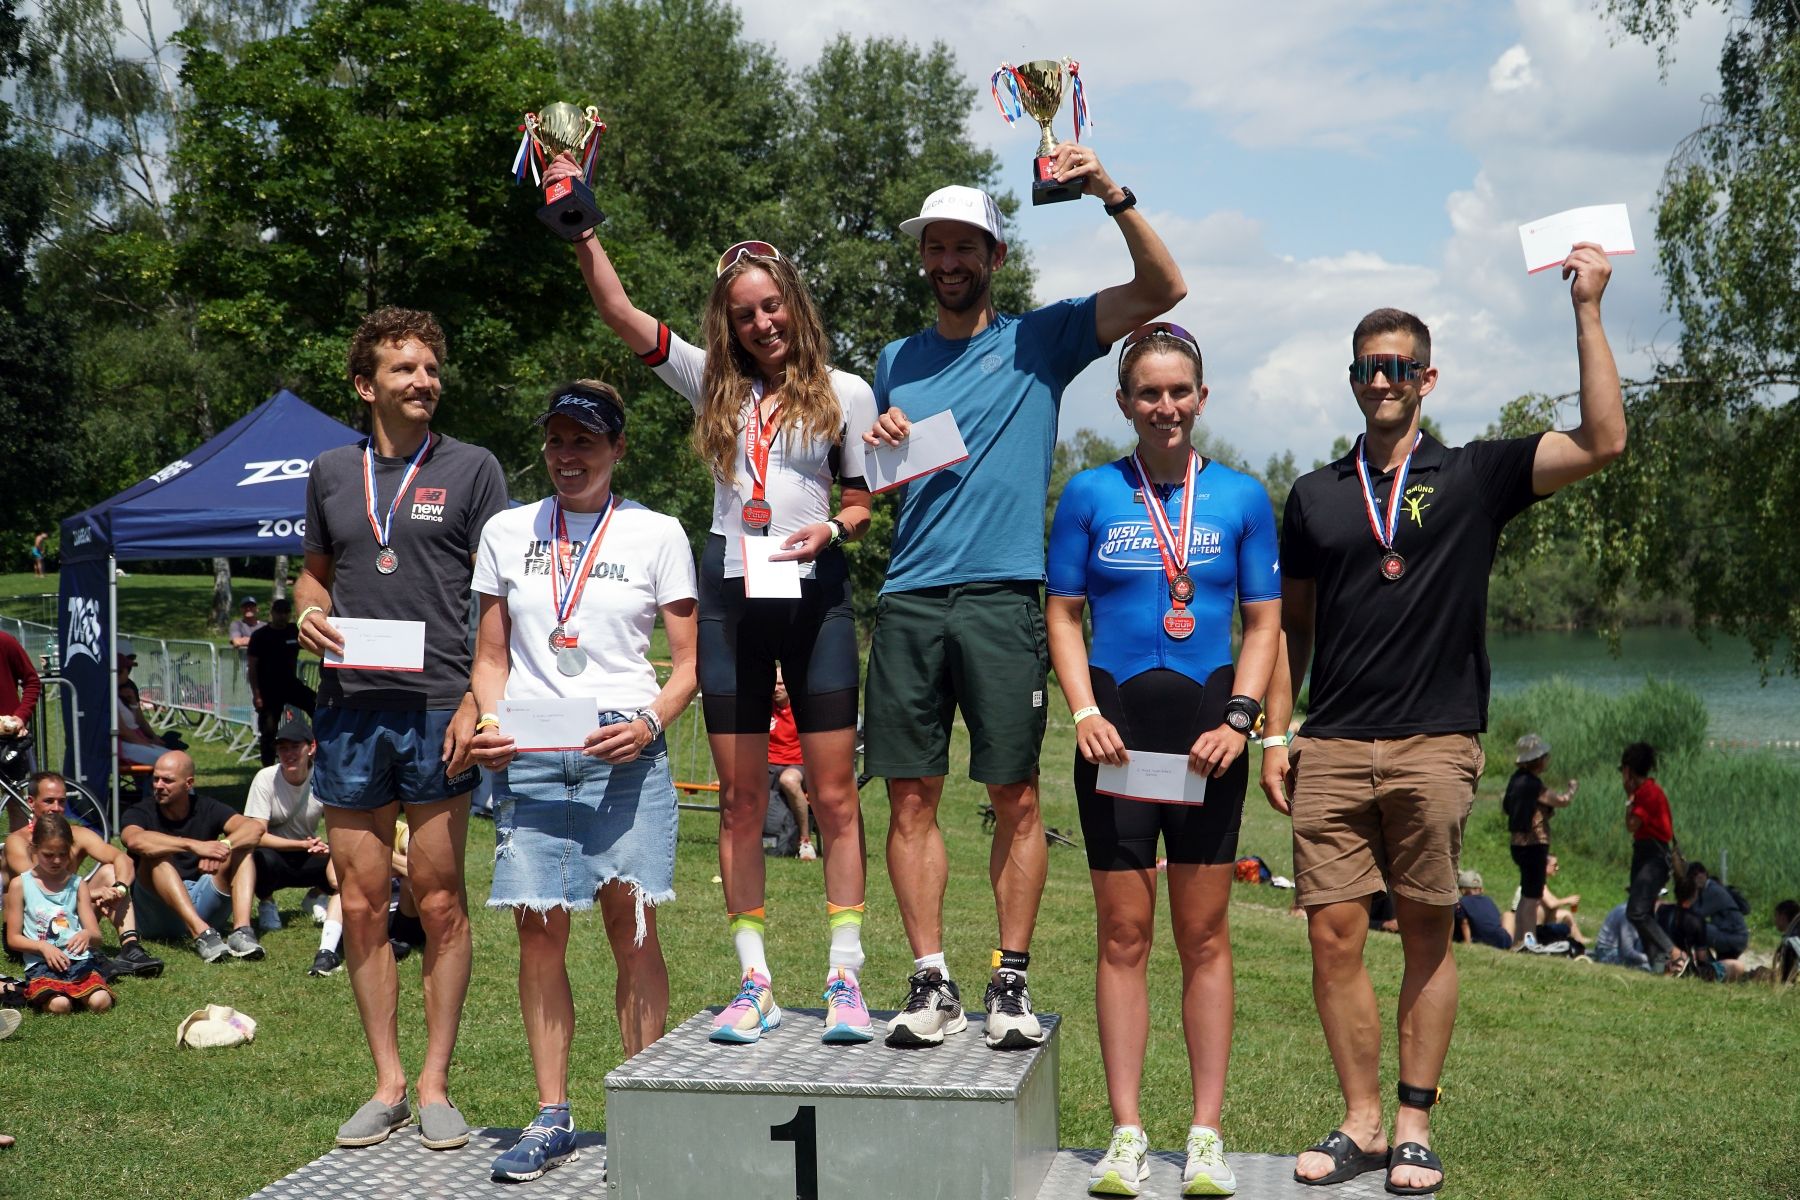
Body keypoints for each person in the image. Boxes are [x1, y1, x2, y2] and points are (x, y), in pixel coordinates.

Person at [1260, 243, 1626, 1194]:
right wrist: (1276, 730)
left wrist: (1586, 309)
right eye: (1368, 367)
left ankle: (1414, 1124)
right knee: (1334, 935)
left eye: (1400, 366)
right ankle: (1361, 1122)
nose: (1384, 380)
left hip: (1435, 741)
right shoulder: (1312, 496)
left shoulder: (1475, 476)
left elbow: (1602, 441)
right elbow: (1289, 628)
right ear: (1352, 382)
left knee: (1427, 929)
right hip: (1332, 743)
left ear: (1427, 378)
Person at [551, 158, 877, 1048]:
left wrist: (835, 534)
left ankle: (845, 977)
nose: (762, 322)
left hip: (818, 597)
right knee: (738, 800)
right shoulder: (710, 382)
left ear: (794, 307)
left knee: (837, 794)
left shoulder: (845, 391)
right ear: (726, 325)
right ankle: (755, 982)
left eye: (773, 307)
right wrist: (580, 223)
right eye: (744, 313)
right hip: (732, 590)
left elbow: (860, 498)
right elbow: (620, 315)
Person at [863, 154, 1186, 1052]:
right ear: (923, 258)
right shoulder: (895, 359)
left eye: (966, 246)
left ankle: (1010, 981)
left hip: (1005, 597)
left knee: (1013, 796)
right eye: (936, 247)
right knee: (911, 800)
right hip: (909, 599)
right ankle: (932, 981)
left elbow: (1165, 286)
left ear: (995, 256)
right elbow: (879, 482)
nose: (949, 261)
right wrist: (877, 442)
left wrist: (1108, 192)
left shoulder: (1041, 339)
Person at [1044, 321, 1278, 1196]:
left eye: (1180, 391)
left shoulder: (1242, 498)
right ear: (1124, 403)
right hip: (1113, 741)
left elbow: (1263, 622)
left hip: (1208, 745)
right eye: (1149, 392)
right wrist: (1083, 710)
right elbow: (1063, 612)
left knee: (1206, 935)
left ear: (1202, 398)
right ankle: (1128, 1132)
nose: (1166, 406)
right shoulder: (1090, 494)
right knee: (1123, 936)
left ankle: (1207, 1135)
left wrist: (1244, 721)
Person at [468, 381, 699, 1182]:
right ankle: (552, 1115)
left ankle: (640, 1118)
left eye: (586, 442)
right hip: (531, 756)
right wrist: (492, 725)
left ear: (618, 450)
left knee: (631, 931)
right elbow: (491, 659)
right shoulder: (505, 529)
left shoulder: (658, 532)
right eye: (558, 441)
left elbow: (688, 665)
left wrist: (650, 724)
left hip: (625, 754)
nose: (569, 457)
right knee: (539, 936)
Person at [294, 306, 508, 1152]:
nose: (424, 381)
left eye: (430, 367)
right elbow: (316, 577)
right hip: (348, 711)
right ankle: (386, 1084)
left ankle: (435, 1083)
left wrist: (475, 703)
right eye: (403, 370)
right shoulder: (329, 472)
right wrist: (308, 613)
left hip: (437, 711)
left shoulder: (473, 468)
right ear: (364, 385)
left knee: (443, 901)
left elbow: (499, 603)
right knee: (359, 903)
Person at [4, 771, 164, 978]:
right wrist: (95, 893)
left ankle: (130, 947)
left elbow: (122, 859)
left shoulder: (77, 835)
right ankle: (90, 955)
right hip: (31, 932)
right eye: (49, 801)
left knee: (110, 872)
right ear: (32, 802)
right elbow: (40, 889)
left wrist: (119, 889)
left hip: (65, 920)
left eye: (62, 801)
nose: (56, 808)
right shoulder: (18, 841)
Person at [120, 750, 265, 961]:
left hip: (200, 898)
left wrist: (222, 847)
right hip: (156, 912)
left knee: (242, 849)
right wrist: (193, 846)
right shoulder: (140, 811)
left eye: (167, 780)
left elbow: (254, 829)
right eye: (156, 778)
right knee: (156, 854)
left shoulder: (207, 807)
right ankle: (201, 934)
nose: (159, 785)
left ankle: (241, 931)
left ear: (188, 784)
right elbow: (134, 840)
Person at [241, 706, 346, 973]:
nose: (288, 754)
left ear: (311, 748)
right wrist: (301, 845)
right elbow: (257, 834)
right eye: (282, 748)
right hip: (275, 852)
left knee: (343, 856)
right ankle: (266, 902)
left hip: (308, 851)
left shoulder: (322, 778)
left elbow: (339, 824)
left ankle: (317, 896)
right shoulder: (265, 778)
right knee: (256, 856)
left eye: (294, 747)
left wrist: (325, 846)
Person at [4, 814, 114, 1014]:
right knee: (60, 1005)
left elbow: (96, 936)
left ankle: (76, 993)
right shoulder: (21, 884)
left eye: (63, 854)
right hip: (41, 964)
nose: (56, 861)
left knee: (101, 1001)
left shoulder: (78, 884)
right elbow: (13, 938)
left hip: (79, 962)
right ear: (34, 849)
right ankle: (51, 995)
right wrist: (42, 947)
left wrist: (87, 935)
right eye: (48, 855)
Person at [1619, 741, 1685, 977]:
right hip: (1646, 853)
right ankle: (1658, 968)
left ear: (1628, 770)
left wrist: (1628, 798)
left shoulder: (1646, 793)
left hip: (1653, 857)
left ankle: (1675, 953)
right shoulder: (1649, 790)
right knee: (1644, 911)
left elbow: (1631, 824)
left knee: (1636, 912)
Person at [1503, 733, 1575, 947]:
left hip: (1517, 843)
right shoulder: (1534, 784)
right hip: (1534, 844)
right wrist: (1572, 789)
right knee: (1531, 897)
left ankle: (1519, 939)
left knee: (1527, 893)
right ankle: (1529, 939)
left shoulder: (1515, 780)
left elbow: (1508, 807)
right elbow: (1561, 801)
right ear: (1538, 760)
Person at [248, 599, 316, 766]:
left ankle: (317, 749)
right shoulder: (260, 636)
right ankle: (268, 767)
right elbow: (252, 666)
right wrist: (256, 694)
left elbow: (313, 642)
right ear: (272, 613)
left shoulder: (294, 631)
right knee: (269, 730)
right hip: (268, 690)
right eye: (279, 612)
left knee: (318, 705)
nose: (282, 615)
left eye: (286, 612)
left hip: (290, 685)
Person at [767, 668, 814, 861]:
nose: (775, 688)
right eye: (773, 683)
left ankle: (805, 841)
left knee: (788, 780)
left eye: (780, 684)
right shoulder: (763, 706)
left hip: (797, 765)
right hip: (767, 764)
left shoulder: (803, 708)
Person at [1687, 863, 1749, 961]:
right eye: (1692, 876)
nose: (1695, 879)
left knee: (1693, 926)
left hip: (1733, 937)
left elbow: (1695, 913)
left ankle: (1705, 963)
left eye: (1697, 875)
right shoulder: (1708, 889)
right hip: (1730, 934)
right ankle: (1708, 962)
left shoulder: (1713, 890)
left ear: (1705, 874)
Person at [0, 630, 40, 780]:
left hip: (7, 736)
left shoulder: (5, 641)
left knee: (13, 797)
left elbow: (32, 681)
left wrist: (21, 716)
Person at [1451, 871, 1510, 951]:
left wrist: (1467, 943)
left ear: (1463, 889)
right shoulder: (1489, 900)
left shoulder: (1462, 902)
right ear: (1481, 889)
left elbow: (1464, 923)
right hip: (1503, 939)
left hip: (1484, 939)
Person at [1590, 900, 1649, 970]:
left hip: (1623, 951)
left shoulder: (1641, 913)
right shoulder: (1628, 914)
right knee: (1648, 968)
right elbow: (1628, 952)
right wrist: (1650, 959)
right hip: (1609, 953)